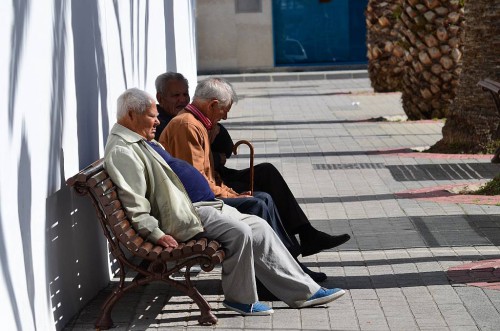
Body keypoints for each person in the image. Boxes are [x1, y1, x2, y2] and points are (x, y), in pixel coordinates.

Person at [104, 87, 345, 316]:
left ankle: (305, 292)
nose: (158, 121)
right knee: (240, 231)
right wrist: (155, 234)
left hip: (197, 206)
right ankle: (240, 299)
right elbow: (134, 203)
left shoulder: (140, 139)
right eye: (151, 116)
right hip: (181, 215)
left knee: (259, 226)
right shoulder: (124, 151)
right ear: (131, 114)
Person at [155, 73, 326, 282]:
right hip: (194, 205)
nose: (224, 117)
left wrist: (231, 193)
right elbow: (197, 182)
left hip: (202, 196)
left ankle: (287, 267)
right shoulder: (188, 126)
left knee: (263, 198)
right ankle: (281, 274)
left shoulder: (197, 123)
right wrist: (232, 195)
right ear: (213, 105)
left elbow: (207, 174)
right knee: (258, 204)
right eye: (224, 111)